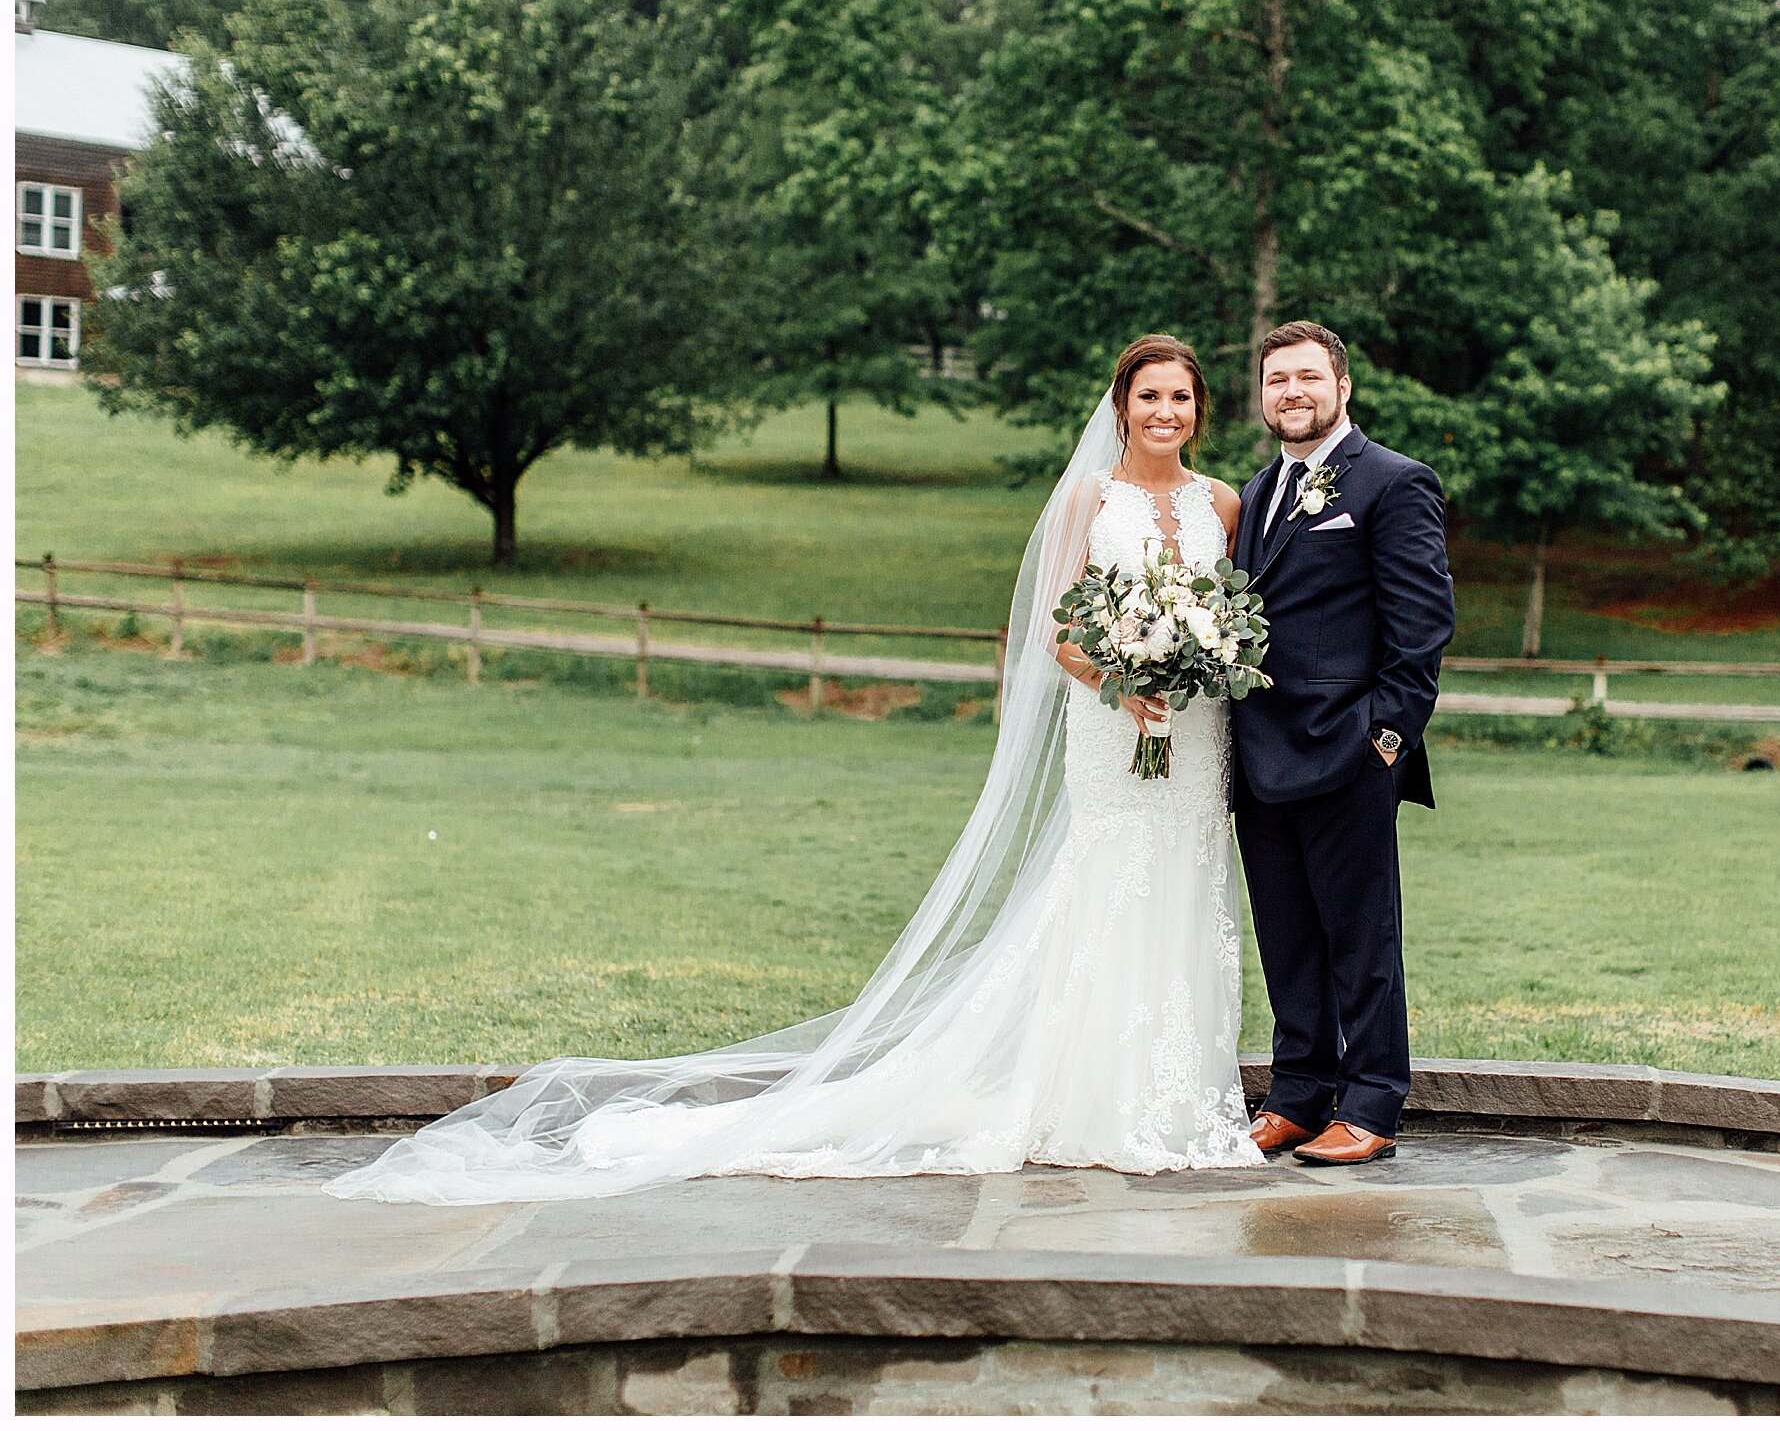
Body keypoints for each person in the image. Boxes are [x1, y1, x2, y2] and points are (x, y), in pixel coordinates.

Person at [325, 334, 1262, 1203]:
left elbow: (1234, 617)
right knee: (1104, 888)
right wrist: (1120, 680)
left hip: (1197, 735)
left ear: (1199, 408)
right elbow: (1055, 631)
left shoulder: (1223, 502)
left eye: (1181, 397)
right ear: (1122, 404)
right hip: (1113, 728)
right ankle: (1089, 1097)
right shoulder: (1086, 501)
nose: (1165, 412)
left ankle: (1174, 1099)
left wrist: (1192, 664)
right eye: (1149, 396)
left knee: (1186, 886)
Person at [1229, 320, 1455, 1167]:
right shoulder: (1254, 493)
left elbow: (1423, 626)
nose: (1292, 393)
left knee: (1362, 937)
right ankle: (1296, 1095)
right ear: (1263, 395)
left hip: (1349, 753)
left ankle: (1370, 1105)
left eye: (1308, 378)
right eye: (1277, 379)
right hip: (1258, 757)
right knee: (1286, 935)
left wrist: (1387, 740)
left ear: (1342, 387)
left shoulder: (1394, 483)